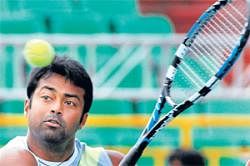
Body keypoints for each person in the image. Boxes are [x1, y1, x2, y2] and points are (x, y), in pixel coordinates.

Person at [0, 56, 124, 165]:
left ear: (83, 120)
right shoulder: (11, 159)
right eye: (47, 97)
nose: (56, 108)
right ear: (27, 107)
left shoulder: (111, 163)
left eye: (69, 103)